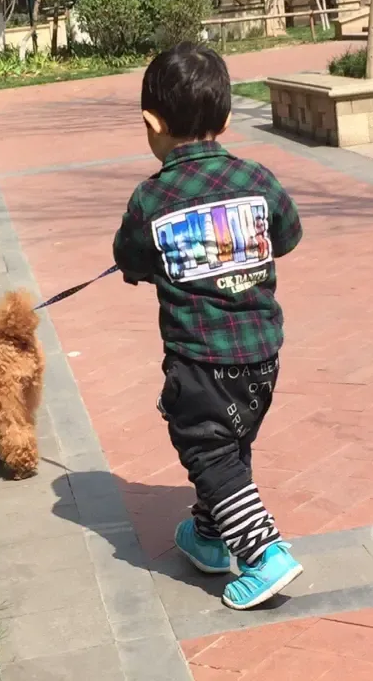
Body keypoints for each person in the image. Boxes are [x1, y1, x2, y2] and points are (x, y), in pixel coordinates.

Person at [112, 43, 303, 610]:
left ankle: (264, 553)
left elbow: (130, 259)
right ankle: (209, 533)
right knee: (231, 442)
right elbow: (287, 234)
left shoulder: (151, 198)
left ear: (152, 123)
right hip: (262, 354)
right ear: (225, 118)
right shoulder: (256, 178)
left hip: (199, 361)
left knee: (208, 451)